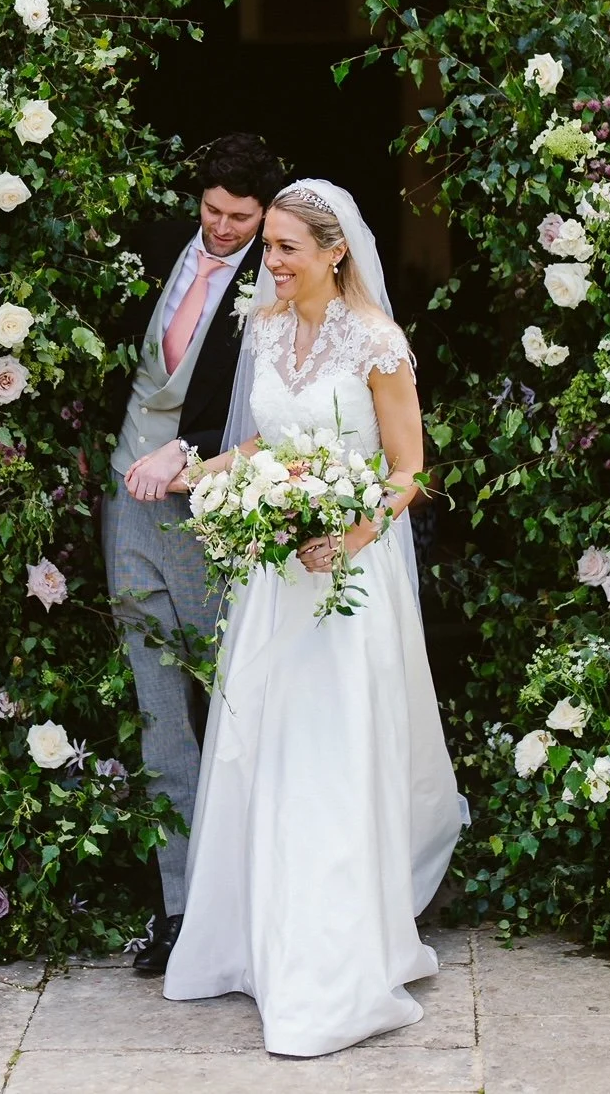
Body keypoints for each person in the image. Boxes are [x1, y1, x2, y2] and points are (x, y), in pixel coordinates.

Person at [158, 178, 463, 1056]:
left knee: (329, 755)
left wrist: (351, 535)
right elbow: (270, 441)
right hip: (275, 579)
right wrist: (207, 475)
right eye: (270, 247)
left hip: (347, 582)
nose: (273, 262)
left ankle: (332, 960)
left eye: (287, 247)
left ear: (336, 252)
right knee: (267, 748)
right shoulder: (263, 328)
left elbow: (409, 470)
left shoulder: (377, 342)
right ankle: (256, 942)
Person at [103, 131, 285, 976]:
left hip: (209, 509)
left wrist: (188, 455)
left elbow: (273, 411)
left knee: (230, 698)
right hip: (124, 500)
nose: (222, 228)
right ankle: (177, 909)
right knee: (156, 706)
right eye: (213, 210)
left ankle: (240, 906)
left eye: (240, 218)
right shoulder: (152, 248)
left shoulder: (276, 282)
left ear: (265, 215)